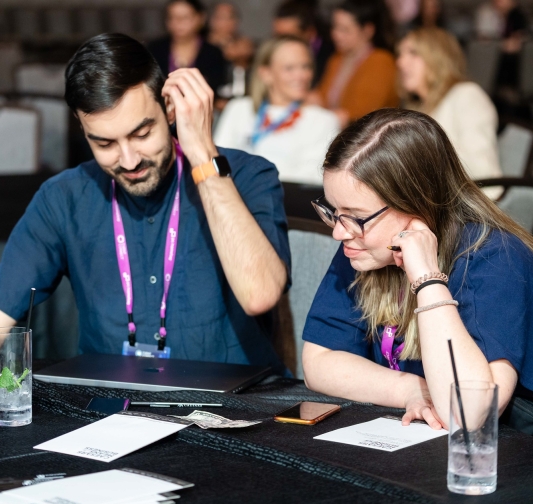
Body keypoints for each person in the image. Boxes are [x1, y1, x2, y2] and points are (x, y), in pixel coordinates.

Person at [0, 33, 291, 386]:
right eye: (105, 143)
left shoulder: (246, 176)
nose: (129, 159)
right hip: (111, 406)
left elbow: (259, 293)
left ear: (169, 110)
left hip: (238, 411)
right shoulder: (64, 198)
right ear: (82, 130)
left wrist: (202, 156)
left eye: (142, 133)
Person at [302, 108, 533, 433]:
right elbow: (320, 362)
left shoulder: (495, 257)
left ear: (418, 204)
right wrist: (411, 389)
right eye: (333, 210)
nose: (339, 232)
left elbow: (467, 412)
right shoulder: (364, 246)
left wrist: (427, 278)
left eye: (355, 216)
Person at [214, 36, 340, 185]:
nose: (302, 75)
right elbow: (218, 162)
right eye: (290, 68)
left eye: (306, 67)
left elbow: (314, 177)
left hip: (289, 204)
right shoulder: (238, 109)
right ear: (266, 73)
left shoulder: (323, 120)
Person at [397, 28, 502, 187]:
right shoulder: (420, 107)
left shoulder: (466, 95)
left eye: (413, 52)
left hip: (468, 205)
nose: (401, 62)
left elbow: (483, 170)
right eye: (400, 54)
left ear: (438, 57)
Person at [309, 0, 399, 127]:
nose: (336, 34)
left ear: (368, 30)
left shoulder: (381, 61)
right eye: (335, 27)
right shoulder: (337, 58)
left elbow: (361, 115)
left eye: (345, 30)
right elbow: (322, 97)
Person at [148, 0, 229, 97]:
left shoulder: (212, 53)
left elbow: (218, 88)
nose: (177, 22)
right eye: (172, 17)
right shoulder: (155, 49)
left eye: (184, 17)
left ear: (201, 18)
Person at [272, 0, 334, 88]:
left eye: (289, 37)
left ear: (310, 33)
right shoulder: (272, 56)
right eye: (277, 36)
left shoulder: (331, 60)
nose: (280, 43)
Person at [207, 2, 254, 99]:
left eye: (230, 17)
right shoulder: (201, 45)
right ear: (211, 20)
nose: (226, 22)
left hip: (238, 97)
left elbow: (239, 54)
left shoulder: (244, 43)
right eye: (220, 17)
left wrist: (225, 43)